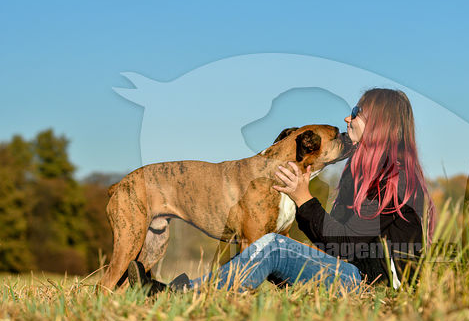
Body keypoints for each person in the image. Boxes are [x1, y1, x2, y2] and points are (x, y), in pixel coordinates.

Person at [128, 88, 436, 294]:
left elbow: (345, 244)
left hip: (374, 285)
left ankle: (181, 295)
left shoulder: (393, 177)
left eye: (356, 112)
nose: (347, 118)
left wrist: (303, 199)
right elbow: (335, 242)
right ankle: (184, 292)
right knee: (277, 249)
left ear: (379, 123)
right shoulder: (362, 174)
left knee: (272, 245)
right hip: (354, 273)